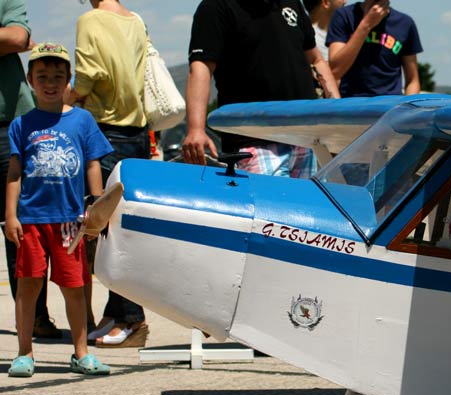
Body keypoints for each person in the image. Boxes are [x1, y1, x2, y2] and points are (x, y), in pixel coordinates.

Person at [5, 42, 113, 377]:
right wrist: (11, 215)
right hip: (31, 220)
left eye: (57, 76)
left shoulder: (82, 120)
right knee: (27, 288)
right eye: (42, 76)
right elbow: (14, 173)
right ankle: (24, 353)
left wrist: (97, 206)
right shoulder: (21, 124)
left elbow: (93, 164)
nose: (50, 83)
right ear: (30, 80)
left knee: (75, 288)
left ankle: (81, 353)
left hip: (70, 221)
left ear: (69, 80)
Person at [65, 0, 150, 347]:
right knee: (124, 225)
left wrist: (66, 100)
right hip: (138, 133)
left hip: (105, 130)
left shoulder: (90, 20)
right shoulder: (136, 20)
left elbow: (88, 76)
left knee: (104, 228)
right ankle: (117, 313)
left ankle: (131, 318)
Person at [182, 0, 340, 177]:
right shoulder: (216, 7)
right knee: (269, 197)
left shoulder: (291, 3)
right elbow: (201, 67)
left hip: (306, 137)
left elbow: (316, 60)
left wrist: (339, 113)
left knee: (312, 197)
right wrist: (196, 129)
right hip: (254, 141)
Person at [0, 0, 62, 339]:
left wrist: (12, 40)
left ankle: (35, 316)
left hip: (9, 123)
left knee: (21, 229)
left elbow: (18, 37)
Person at [327, 0, 422, 97]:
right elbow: (335, 71)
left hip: (390, 103)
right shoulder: (344, 16)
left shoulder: (405, 23)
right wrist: (366, 24)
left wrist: (407, 105)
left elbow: (412, 80)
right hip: (352, 103)